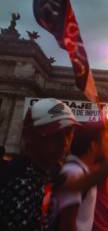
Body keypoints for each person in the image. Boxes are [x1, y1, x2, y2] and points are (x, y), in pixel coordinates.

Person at [0, 98, 78, 231]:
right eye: (55, 134)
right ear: (30, 135)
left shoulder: (48, 175)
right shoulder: (19, 183)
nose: (64, 142)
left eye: (68, 132)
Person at [52, 121, 106, 231]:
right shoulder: (75, 172)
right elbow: (67, 224)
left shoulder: (83, 171)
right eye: (105, 140)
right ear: (93, 145)